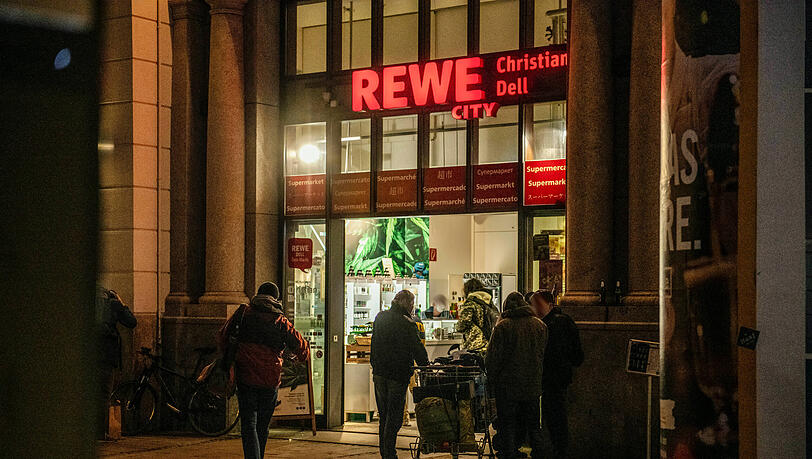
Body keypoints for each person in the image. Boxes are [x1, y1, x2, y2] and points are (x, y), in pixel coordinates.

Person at [217, 282, 309, 459]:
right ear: (276, 299)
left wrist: (231, 358)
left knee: (249, 424)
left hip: (246, 377)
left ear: (258, 295)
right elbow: (302, 349)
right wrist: (296, 356)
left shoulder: (243, 313)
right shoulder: (281, 321)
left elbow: (223, 336)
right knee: (262, 426)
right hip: (270, 380)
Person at [486, 292, 548, 459]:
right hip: (532, 384)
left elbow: (493, 358)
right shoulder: (539, 325)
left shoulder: (503, 326)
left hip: (507, 385)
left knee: (508, 423)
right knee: (534, 423)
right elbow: (543, 354)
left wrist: (491, 378)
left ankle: (510, 452)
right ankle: (540, 452)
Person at [371, 290, 429, 459]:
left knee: (384, 416)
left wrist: (374, 365)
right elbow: (417, 348)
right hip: (397, 374)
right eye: (412, 303)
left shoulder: (380, 318)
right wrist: (426, 366)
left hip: (380, 373)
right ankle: (390, 453)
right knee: (395, 416)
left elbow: (374, 344)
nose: (413, 307)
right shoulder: (407, 323)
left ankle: (385, 453)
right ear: (406, 303)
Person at [528, 290, 584, 458]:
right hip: (560, 377)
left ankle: (557, 451)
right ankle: (558, 450)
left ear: (549, 304)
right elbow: (577, 354)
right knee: (556, 416)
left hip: (551, 378)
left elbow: (551, 353)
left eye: (536, 304)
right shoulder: (564, 321)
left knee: (554, 417)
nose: (533, 308)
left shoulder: (549, 325)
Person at [96, 284, 137, 439]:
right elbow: (131, 322)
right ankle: (100, 433)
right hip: (106, 355)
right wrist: (122, 304)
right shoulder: (112, 302)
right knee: (103, 394)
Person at [455, 278, 493, 352]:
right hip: (488, 343)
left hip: (475, 344)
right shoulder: (487, 303)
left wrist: (457, 327)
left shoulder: (470, 303)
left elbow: (462, 325)